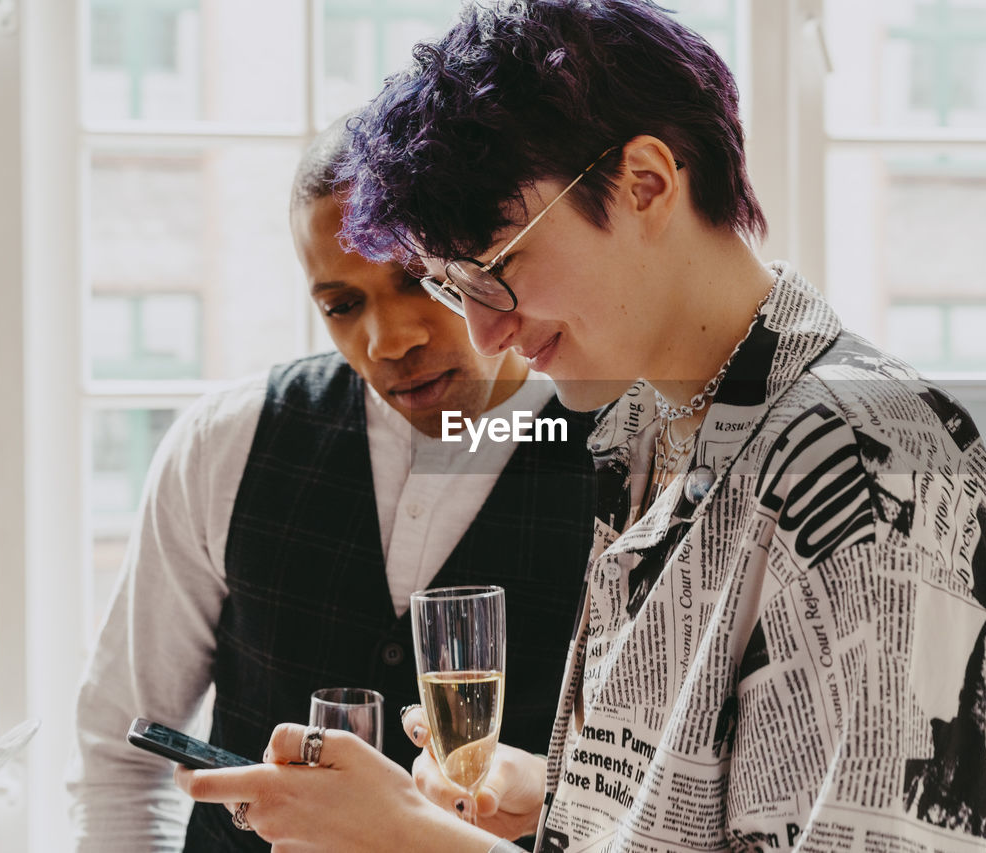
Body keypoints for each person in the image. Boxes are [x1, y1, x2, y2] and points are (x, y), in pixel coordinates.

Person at [176, 2, 986, 851]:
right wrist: (564, 802)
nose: (484, 333)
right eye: (453, 286)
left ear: (646, 184)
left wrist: (413, 840)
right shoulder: (642, 432)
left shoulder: (875, 468)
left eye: (498, 268)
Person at [67, 117, 597, 852]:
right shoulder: (225, 440)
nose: (389, 341)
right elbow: (121, 760)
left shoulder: (627, 454)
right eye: (343, 305)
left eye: (419, 281)